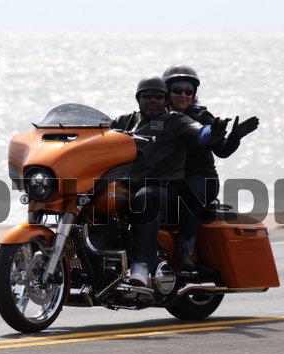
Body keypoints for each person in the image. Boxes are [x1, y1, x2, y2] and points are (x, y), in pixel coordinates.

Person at [111, 76, 229, 287]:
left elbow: (200, 132)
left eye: (158, 96)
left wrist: (214, 130)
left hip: (165, 190)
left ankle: (142, 265)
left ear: (165, 100)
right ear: (138, 98)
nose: (153, 100)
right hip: (128, 187)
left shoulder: (176, 121)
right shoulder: (126, 121)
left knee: (146, 197)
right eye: (147, 96)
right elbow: (97, 131)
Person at [162, 64, 260, 271]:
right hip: (168, 178)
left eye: (188, 91)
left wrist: (235, 137)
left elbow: (222, 151)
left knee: (188, 198)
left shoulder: (203, 117)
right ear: (167, 92)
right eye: (177, 90)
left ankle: (185, 254)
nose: (183, 95)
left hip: (199, 178)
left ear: (194, 94)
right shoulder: (156, 117)